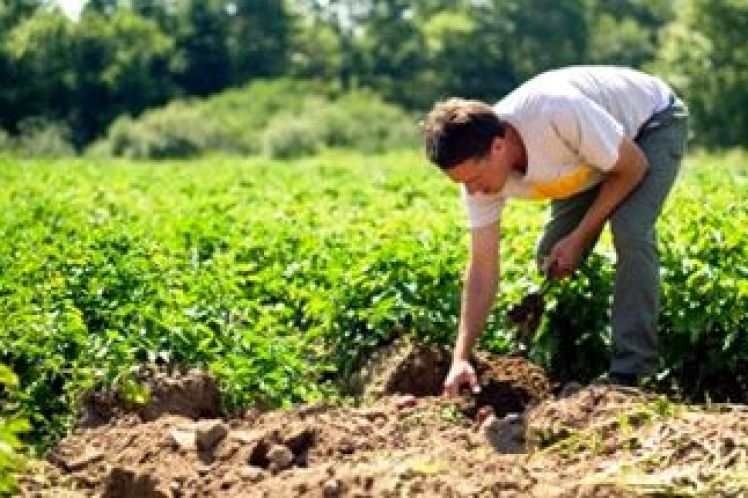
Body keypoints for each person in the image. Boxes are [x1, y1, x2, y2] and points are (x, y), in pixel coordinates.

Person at [421, 66, 688, 394]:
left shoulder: (555, 113)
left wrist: (579, 237)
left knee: (630, 230)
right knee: (550, 257)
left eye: (475, 180)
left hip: (648, 126)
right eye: (463, 184)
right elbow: (482, 267)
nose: (473, 192)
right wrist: (460, 358)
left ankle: (631, 372)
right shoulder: (476, 177)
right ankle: (567, 359)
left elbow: (632, 167)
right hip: (594, 156)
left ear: (498, 147)